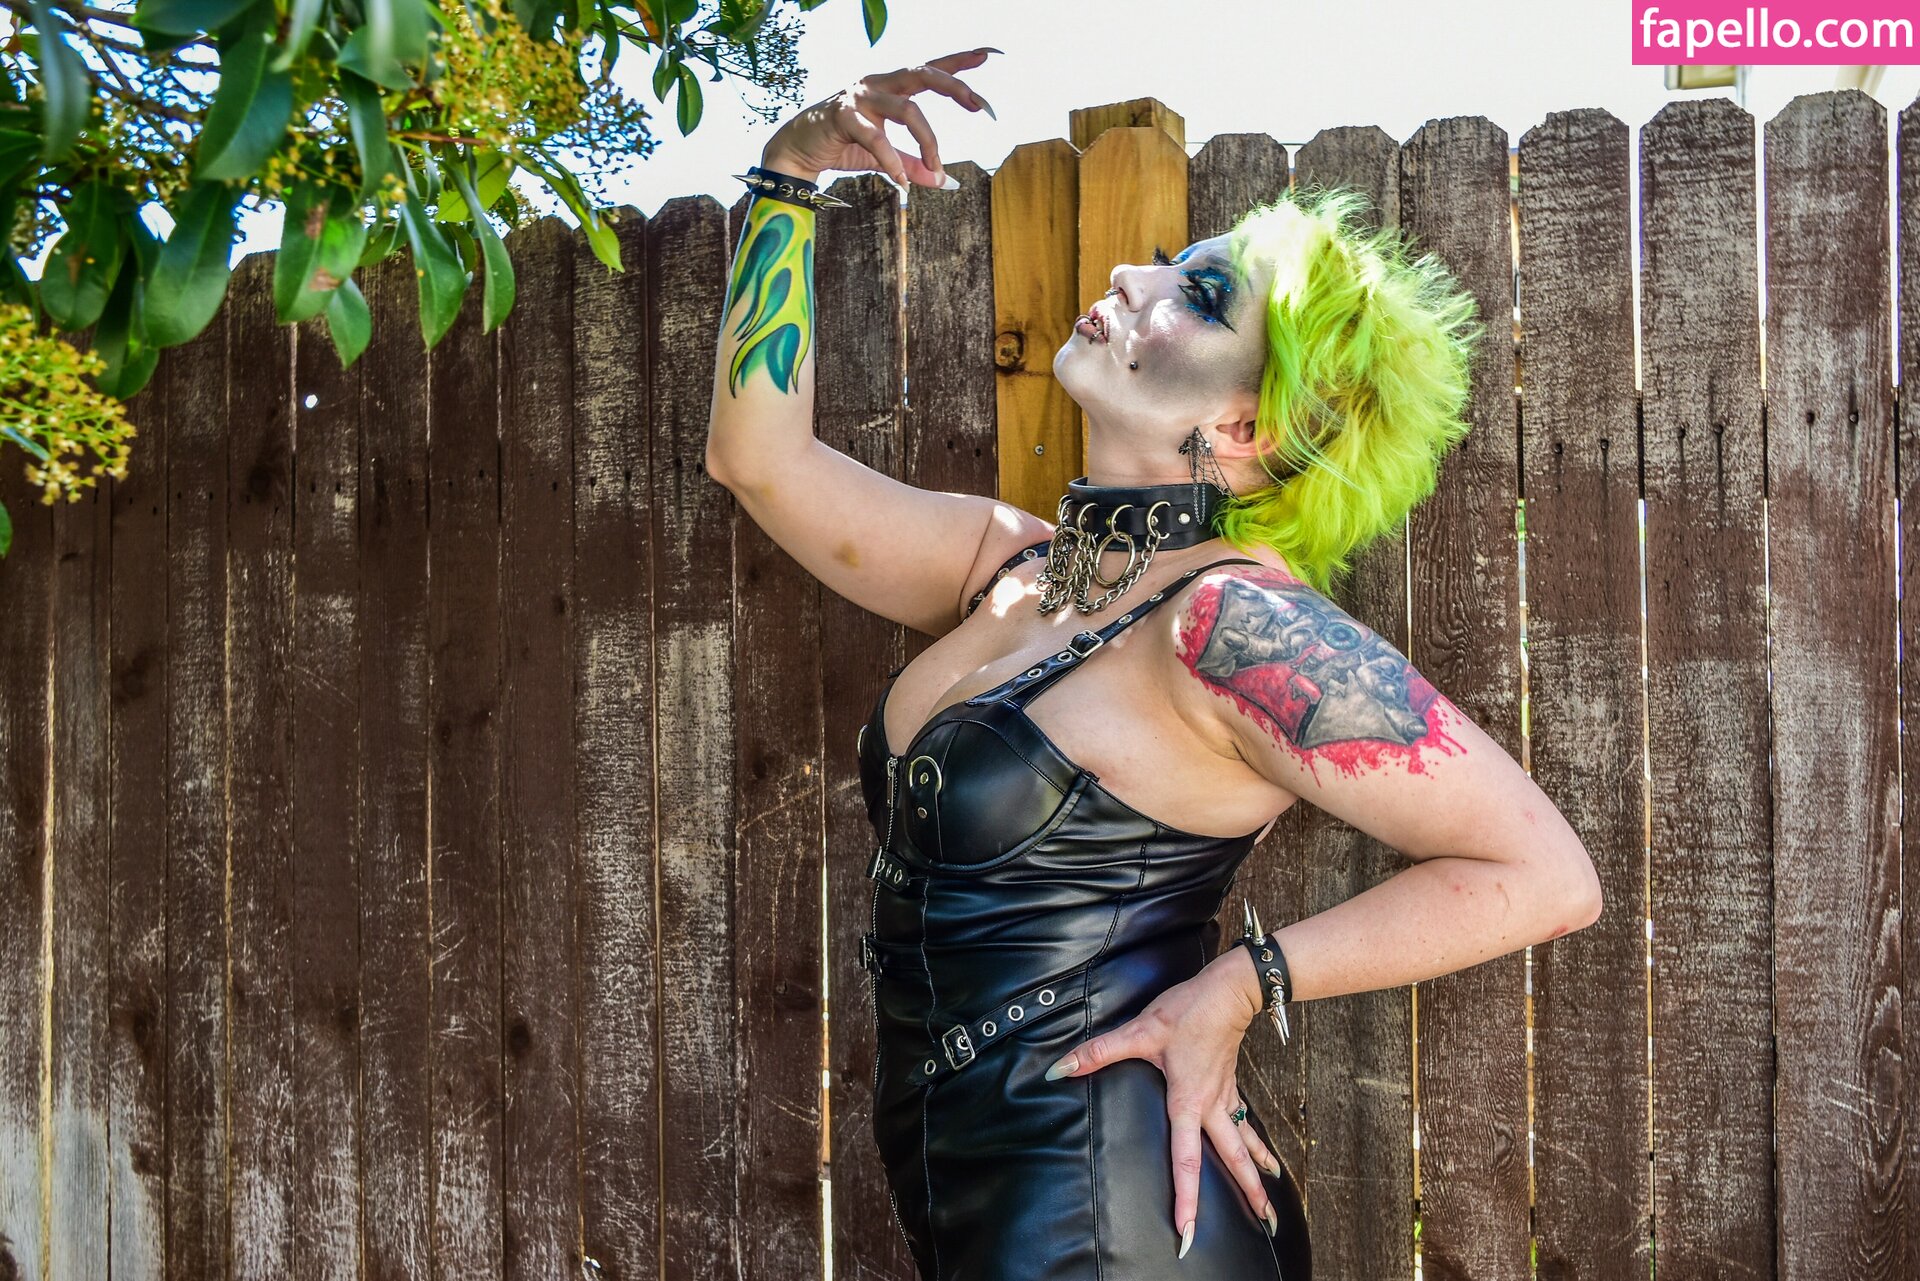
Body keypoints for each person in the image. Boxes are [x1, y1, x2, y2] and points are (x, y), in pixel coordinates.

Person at [705, 48, 1603, 1279]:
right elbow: (758, 459)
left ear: (1247, 427)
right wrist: (791, 172)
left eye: (1203, 293)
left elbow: (1546, 875)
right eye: (1172, 263)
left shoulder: (1232, 626)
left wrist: (1242, 985)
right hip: (973, 1190)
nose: (1133, 276)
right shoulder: (1011, 569)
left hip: (1121, 1219)